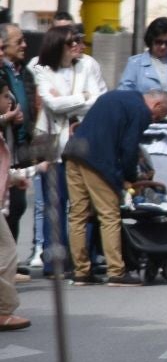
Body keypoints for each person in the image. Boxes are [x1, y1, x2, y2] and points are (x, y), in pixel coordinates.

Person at [62, 90, 167, 286]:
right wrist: (129, 178)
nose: (153, 121)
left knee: (78, 215)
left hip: (74, 152)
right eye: (157, 116)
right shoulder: (141, 110)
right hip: (97, 160)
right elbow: (129, 148)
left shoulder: (115, 96)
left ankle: (81, 271)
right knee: (109, 215)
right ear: (156, 105)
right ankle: (116, 272)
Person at [33, 25, 107, 274]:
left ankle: (82, 259)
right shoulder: (42, 69)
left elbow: (98, 100)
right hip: (54, 144)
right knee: (54, 203)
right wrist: (81, 97)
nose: (77, 45)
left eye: (78, 39)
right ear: (57, 46)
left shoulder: (88, 64)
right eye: (70, 42)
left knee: (83, 203)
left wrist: (69, 101)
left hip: (82, 141)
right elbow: (51, 104)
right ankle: (54, 261)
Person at [0, 24, 35, 252]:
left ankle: (9, 262)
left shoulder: (20, 72)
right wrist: (8, 117)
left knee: (16, 205)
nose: (24, 45)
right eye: (18, 41)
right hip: (5, 146)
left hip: (17, 146)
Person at [119, 17, 167, 115]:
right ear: (151, 40)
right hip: (144, 118)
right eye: (159, 42)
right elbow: (123, 95)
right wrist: (147, 100)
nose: (163, 46)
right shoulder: (135, 63)